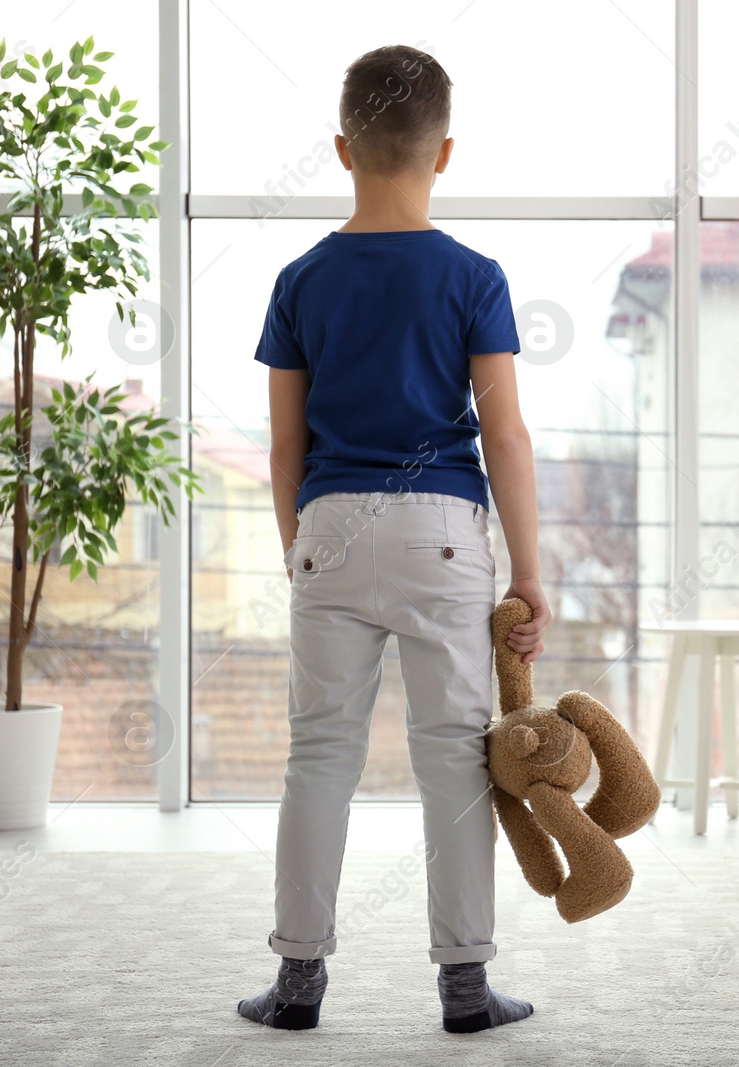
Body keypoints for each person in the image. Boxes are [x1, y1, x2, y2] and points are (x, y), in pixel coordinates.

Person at [236, 43, 550, 1034]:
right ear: (443, 153)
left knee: (318, 754)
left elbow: (284, 442)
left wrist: (303, 543)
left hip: (332, 522)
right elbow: (503, 431)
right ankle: (464, 985)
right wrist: (531, 574)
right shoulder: (473, 275)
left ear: (342, 147)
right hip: (442, 534)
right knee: (455, 755)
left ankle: (297, 982)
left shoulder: (300, 278)